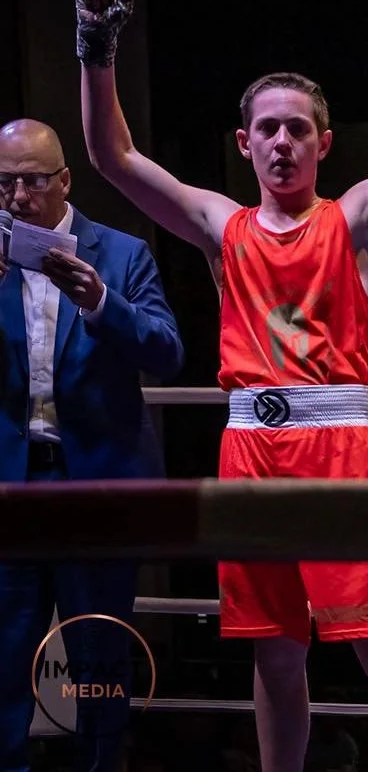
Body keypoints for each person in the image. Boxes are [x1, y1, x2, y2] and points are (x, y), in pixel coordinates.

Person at [73, 0, 368, 772]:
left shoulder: (354, 220)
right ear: (244, 143)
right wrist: (97, 48)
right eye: (267, 130)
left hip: (340, 449)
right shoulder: (224, 227)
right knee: (274, 652)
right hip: (249, 449)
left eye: (298, 129)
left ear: (324, 144)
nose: (282, 142)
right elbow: (113, 156)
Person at [0, 117, 183, 771]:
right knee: (2, 662)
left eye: (31, 181)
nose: (18, 197)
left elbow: (169, 352)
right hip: (11, 491)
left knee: (100, 662)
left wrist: (103, 303)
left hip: (97, 489)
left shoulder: (120, 253)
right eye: (4, 183)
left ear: (64, 180)